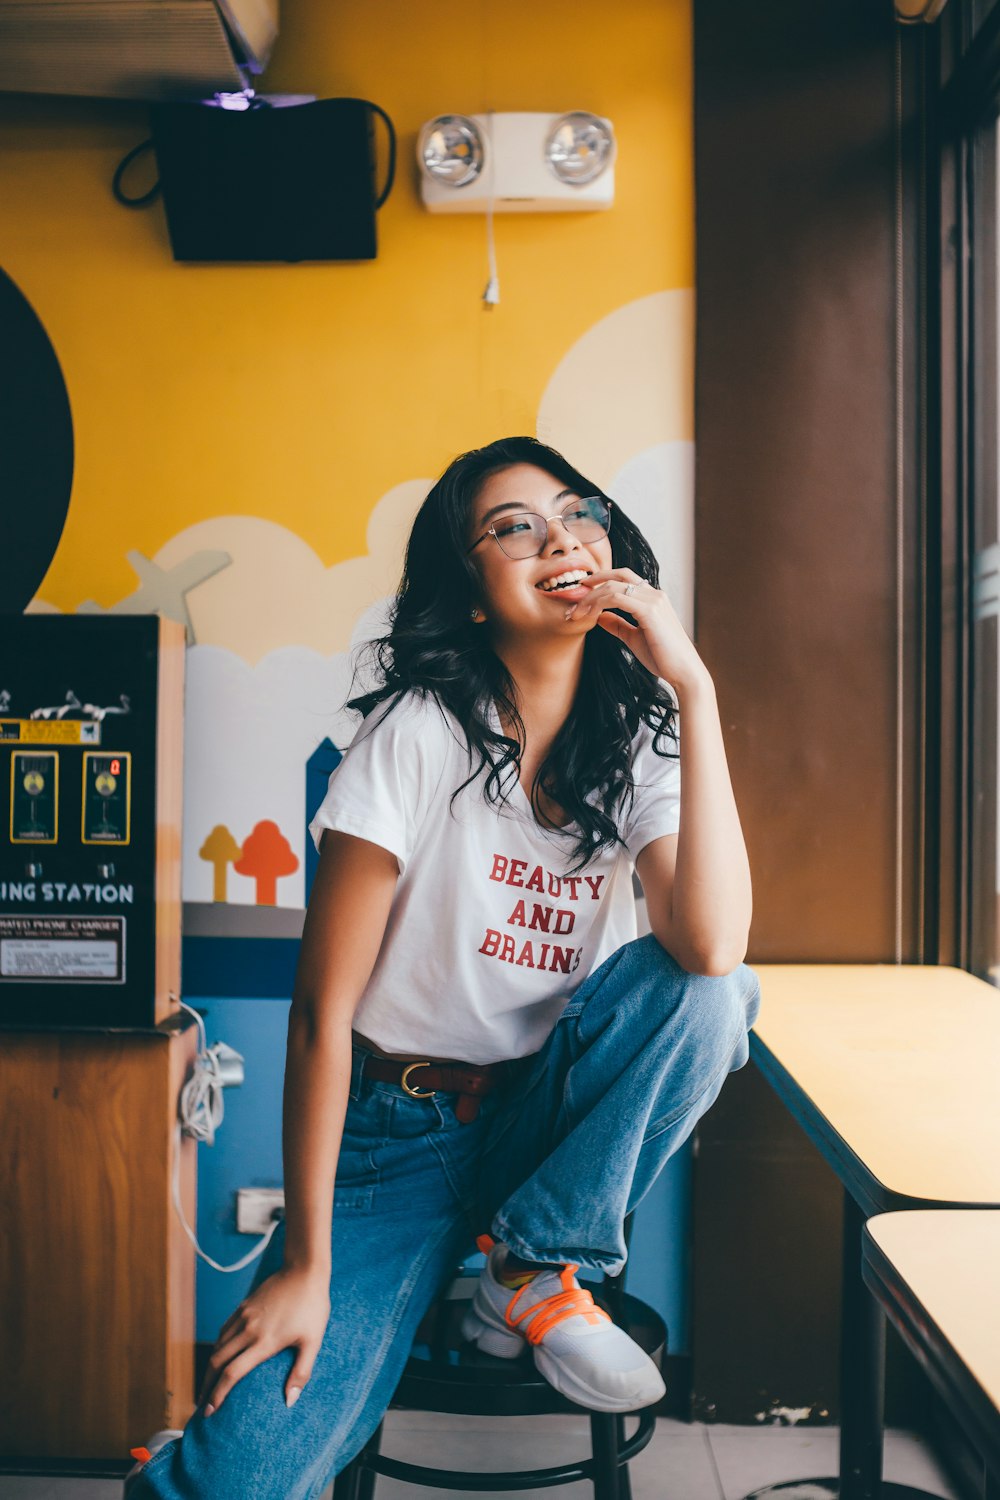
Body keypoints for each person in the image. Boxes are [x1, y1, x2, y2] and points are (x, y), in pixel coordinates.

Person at [126, 435, 759, 1499]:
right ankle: (192, 1461)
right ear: (469, 593)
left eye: (575, 512)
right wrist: (306, 1265)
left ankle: (527, 1267)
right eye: (511, 526)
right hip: (395, 1140)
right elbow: (321, 1017)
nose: (558, 534)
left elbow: (709, 948)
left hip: (546, 1124)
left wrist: (691, 687)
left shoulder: (643, 737)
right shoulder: (417, 737)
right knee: (238, 1478)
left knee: (717, 992)